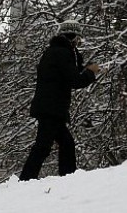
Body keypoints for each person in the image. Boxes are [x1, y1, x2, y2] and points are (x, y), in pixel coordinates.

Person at [19, 20, 100, 181]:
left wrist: (83, 67)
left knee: (64, 144)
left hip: (49, 108)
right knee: (45, 146)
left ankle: (65, 177)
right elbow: (75, 80)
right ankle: (29, 179)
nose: (79, 42)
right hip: (52, 109)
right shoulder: (62, 53)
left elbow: (69, 73)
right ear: (73, 37)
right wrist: (90, 73)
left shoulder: (56, 52)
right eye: (78, 39)